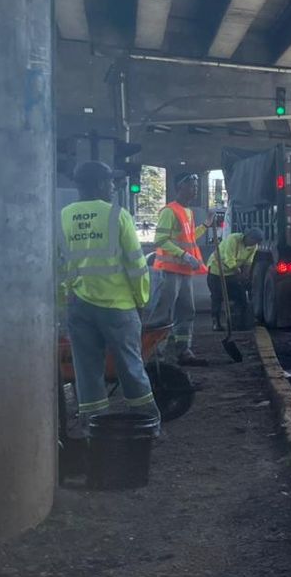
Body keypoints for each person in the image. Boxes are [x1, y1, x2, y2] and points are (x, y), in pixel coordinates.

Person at [59, 162, 159, 435]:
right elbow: (136, 265)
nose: (114, 187)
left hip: (79, 304)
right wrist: (141, 301)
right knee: (130, 366)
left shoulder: (65, 216)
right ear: (99, 184)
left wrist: (65, 300)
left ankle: (93, 428)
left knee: (87, 369)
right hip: (118, 306)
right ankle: (148, 424)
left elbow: (60, 263)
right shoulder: (117, 215)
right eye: (110, 182)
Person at [147, 173, 213, 366]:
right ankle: (154, 354)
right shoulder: (169, 211)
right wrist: (184, 256)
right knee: (163, 312)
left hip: (184, 272)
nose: (195, 190)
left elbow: (190, 237)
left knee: (186, 311)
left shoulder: (188, 212)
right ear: (179, 187)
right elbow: (160, 240)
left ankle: (183, 351)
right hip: (169, 270)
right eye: (191, 186)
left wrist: (205, 226)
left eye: (196, 186)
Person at [206, 227, 263, 331]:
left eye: (255, 242)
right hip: (217, 271)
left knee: (240, 296)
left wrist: (246, 276)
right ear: (247, 236)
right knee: (217, 297)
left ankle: (238, 322)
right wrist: (238, 273)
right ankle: (216, 322)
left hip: (232, 273)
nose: (252, 244)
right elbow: (229, 259)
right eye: (252, 240)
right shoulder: (233, 239)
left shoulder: (253, 247)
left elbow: (248, 262)